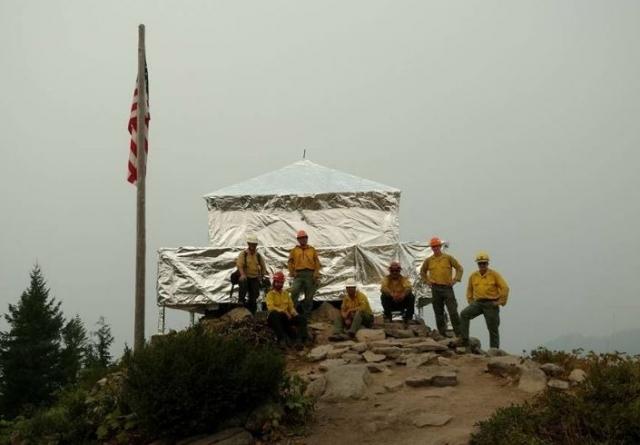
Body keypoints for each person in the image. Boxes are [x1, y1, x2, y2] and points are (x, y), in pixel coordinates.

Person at [460, 251, 510, 349]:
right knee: (464, 314)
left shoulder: (494, 275)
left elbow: (505, 288)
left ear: (487, 263)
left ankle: (494, 350)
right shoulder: (473, 276)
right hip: (478, 303)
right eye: (480, 263)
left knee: (493, 328)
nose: (482, 265)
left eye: (484, 263)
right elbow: (469, 290)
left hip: (491, 304)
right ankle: (464, 340)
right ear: (477, 264)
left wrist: (500, 302)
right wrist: (470, 302)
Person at [420, 237, 464, 337]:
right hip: (435, 288)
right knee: (438, 312)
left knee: (453, 311)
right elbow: (422, 272)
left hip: (447, 288)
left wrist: (455, 280)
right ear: (432, 248)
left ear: (440, 246)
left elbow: (459, 268)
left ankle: (459, 333)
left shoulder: (448, 258)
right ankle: (442, 334)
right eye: (433, 246)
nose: (435, 248)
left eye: (437, 246)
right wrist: (427, 281)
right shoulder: (429, 260)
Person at [265, 271, 308, 347]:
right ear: (274, 282)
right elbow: (271, 307)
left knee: (302, 318)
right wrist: (284, 312)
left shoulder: (286, 294)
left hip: (286, 318)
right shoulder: (270, 294)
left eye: (281, 282)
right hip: (276, 318)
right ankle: (281, 339)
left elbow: (291, 307)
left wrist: (296, 316)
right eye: (277, 282)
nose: (279, 284)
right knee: (274, 314)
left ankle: (300, 340)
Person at [288, 230, 321, 317]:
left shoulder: (312, 250)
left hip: (310, 274)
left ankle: (307, 314)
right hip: (298, 274)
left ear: (307, 238)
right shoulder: (294, 250)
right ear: (298, 239)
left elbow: (317, 262)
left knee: (309, 295)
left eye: (304, 238)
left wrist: (316, 273)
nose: (303, 239)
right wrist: (292, 272)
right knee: (294, 291)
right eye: (300, 238)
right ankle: (292, 312)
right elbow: (290, 262)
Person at [236, 234, 267, 314]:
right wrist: (242, 274)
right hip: (246, 277)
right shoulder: (244, 254)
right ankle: (241, 300)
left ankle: (252, 311)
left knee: (253, 297)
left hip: (254, 278)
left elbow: (263, 267)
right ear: (248, 244)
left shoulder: (258, 255)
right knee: (243, 281)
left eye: (254, 244)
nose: (253, 245)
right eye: (251, 243)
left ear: (256, 245)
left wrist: (261, 276)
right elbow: (240, 265)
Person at [380, 261, 415, 326]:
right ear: (390, 271)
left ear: (399, 271)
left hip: (402, 302)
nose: (394, 272)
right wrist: (392, 294)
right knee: (383, 295)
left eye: (396, 271)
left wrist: (403, 295)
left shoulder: (403, 279)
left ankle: (409, 318)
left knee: (411, 296)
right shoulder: (386, 279)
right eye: (392, 271)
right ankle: (388, 317)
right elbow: (383, 288)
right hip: (391, 302)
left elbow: (409, 288)